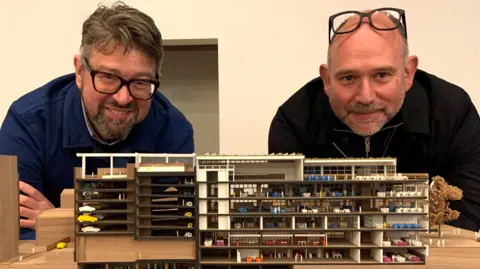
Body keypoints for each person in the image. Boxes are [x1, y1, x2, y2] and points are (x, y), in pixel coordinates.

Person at [268, 8, 480, 232]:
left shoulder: (451, 113)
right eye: (348, 77)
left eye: (381, 75)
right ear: (327, 79)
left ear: (408, 73)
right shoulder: (294, 123)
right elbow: (291, 224)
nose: (366, 97)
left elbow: (467, 222)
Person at [0, 1, 194, 239]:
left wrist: (62, 222)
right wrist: (123, 225)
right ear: (80, 71)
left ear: (156, 79)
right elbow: (15, 234)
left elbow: (169, 235)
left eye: (141, 82)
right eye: (108, 77)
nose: (123, 98)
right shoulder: (29, 124)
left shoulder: (174, 133)